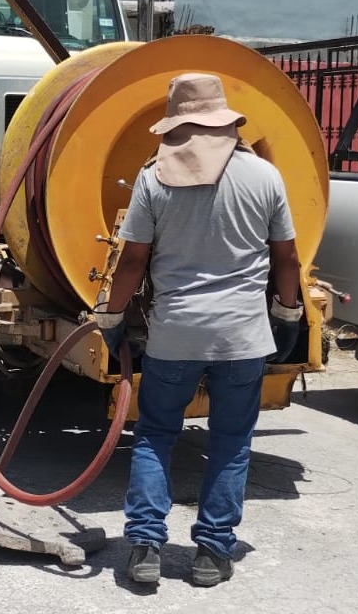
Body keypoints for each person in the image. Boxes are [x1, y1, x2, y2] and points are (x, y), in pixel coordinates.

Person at [96, 73, 304, 587]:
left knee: (155, 436)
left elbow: (133, 262)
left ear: (177, 125)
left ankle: (144, 547)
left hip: (175, 336)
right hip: (243, 338)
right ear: (226, 121)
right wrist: (288, 312)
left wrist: (112, 317)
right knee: (231, 442)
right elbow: (287, 257)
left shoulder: (154, 178)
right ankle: (212, 552)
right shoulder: (264, 177)